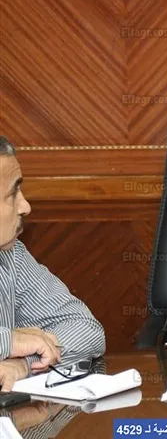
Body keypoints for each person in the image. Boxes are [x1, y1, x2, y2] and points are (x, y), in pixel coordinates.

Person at [0, 136, 106, 391]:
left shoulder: (10, 256)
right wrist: (8, 342)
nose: (25, 206)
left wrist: (24, 364)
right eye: (13, 193)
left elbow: (85, 328)